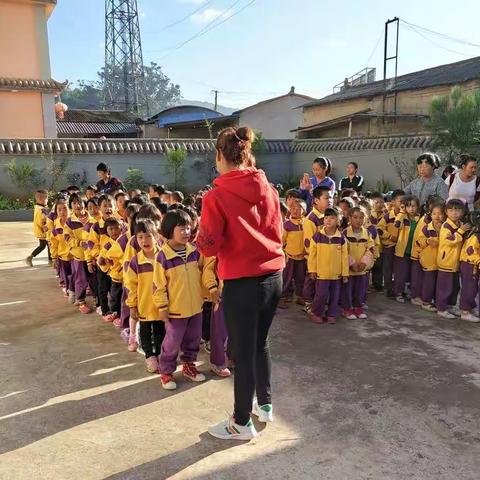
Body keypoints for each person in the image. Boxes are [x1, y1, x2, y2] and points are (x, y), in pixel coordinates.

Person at [197, 126, 284, 441]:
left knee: (242, 353)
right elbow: (278, 230)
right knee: (260, 343)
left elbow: (208, 246)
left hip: (242, 283)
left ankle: (241, 422)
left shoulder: (216, 196)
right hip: (274, 276)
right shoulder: (270, 189)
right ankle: (266, 404)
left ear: (220, 156)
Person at [153, 209, 205, 390]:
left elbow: (202, 276)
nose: (186, 232)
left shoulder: (194, 252)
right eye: (181, 229)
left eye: (189, 228)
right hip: (176, 310)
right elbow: (158, 286)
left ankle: (189, 366)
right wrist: (162, 307)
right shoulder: (162, 257)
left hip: (196, 307)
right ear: (169, 230)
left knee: (193, 339)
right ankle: (166, 371)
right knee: (172, 342)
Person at [125, 219, 166, 373]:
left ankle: (161, 356)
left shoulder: (164, 257)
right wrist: (132, 305)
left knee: (161, 333)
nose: (144, 240)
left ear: (157, 236)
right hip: (144, 306)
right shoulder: (136, 261)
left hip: (161, 307)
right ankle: (150, 357)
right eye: (140, 237)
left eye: (148, 236)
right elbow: (131, 285)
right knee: (146, 335)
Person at [307, 207, 349, 324]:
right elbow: (312, 256)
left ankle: (331, 314)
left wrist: (345, 273)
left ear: (338, 221)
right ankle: (316, 313)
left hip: (337, 275)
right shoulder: (317, 237)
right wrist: (312, 270)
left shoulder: (341, 238)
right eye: (326, 218)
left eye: (332, 218)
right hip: (321, 274)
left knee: (335, 296)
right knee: (321, 295)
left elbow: (344, 258)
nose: (328, 220)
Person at [436, 199, 470, 318]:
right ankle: (441, 308)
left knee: (454, 287)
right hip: (446, 262)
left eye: (457, 210)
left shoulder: (460, 224)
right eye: (451, 210)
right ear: (446, 212)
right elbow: (448, 241)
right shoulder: (446, 226)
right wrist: (460, 232)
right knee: (444, 287)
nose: (454, 213)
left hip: (455, 263)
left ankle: (449, 306)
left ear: (462, 212)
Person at [342, 207, 375, 320]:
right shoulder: (345, 233)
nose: (358, 220)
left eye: (361, 217)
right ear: (349, 218)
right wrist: (352, 263)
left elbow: (371, 249)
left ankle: (358, 308)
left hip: (362, 270)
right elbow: (343, 251)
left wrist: (363, 263)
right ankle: (347, 309)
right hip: (349, 270)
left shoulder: (367, 233)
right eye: (355, 217)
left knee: (360, 290)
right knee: (347, 290)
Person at [64, 193, 93, 314]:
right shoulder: (70, 222)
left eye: (80, 202)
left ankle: (79, 292)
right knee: (80, 278)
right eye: (74, 203)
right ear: (71, 206)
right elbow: (67, 238)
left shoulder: (92, 219)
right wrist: (79, 243)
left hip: (91, 255)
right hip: (79, 256)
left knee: (92, 277)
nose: (78, 205)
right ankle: (81, 300)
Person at [279, 199, 307, 309]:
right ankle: (282, 297)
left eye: (299, 209)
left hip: (302, 257)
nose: (295, 211)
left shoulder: (306, 223)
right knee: (286, 277)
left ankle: (300, 296)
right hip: (289, 256)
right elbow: (282, 240)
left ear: (304, 211)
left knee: (300, 278)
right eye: (293, 208)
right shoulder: (287, 224)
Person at [417, 203, 445, 311]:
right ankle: (426, 302)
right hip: (429, 260)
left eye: (440, 214)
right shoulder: (427, 228)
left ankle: (434, 301)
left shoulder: (445, 227)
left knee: (437, 283)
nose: (437, 216)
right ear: (430, 215)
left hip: (440, 261)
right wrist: (428, 241)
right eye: (434, 214)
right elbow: (419, 241)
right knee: (428, 282)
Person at [392, 196, 420, 304]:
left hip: (414, 251)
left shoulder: (420, 219)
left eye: (413, 206)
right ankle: (398, 292)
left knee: (411, 273)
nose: (411, 209)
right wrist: (402, 213)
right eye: (408, 206)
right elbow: (396, 225)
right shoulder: (402, 217)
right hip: (401, 251)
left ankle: (408, 292)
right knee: (400, 273)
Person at [26, 190, 50, 267]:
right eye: (46, 198)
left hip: (41, 230)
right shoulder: (42, 209)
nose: (47, 200)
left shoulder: (39, 207)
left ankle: (31, 257)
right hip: (43, 231)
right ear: (40, 199)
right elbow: (40, 220)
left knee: (44, 245)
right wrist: (45, 228)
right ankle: (51, 260)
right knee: (47, 245)